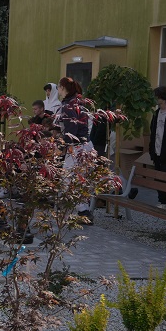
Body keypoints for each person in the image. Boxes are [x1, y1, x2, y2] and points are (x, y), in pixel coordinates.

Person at [54, 77, 96, 224]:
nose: (58, 90)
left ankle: (83, 211)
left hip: (77, 147)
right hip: (85, 145)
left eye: (59, 87)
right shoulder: (78, 103)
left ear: (63, 88)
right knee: (79, 179)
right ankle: (83, 211)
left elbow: (71, 130)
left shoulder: (69, 105)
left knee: (67, 178)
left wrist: (62, 146)